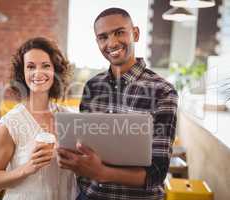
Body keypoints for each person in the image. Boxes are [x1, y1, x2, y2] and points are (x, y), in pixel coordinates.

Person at [57, 8, 178, 200]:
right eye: (103, 37)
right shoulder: (92, 86)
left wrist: (102, 173)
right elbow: (82, 146)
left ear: (135, 34)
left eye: (119, 32)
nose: (112, 43)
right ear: (97, 42)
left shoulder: (163, 91)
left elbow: (157, 172)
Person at [0, 37, 76, 200]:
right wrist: (28, 167)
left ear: (55, 71)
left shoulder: (70, 117)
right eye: (30, 67)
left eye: (46, 66)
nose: (38, 73)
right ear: (23, 73)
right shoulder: (10, 123)